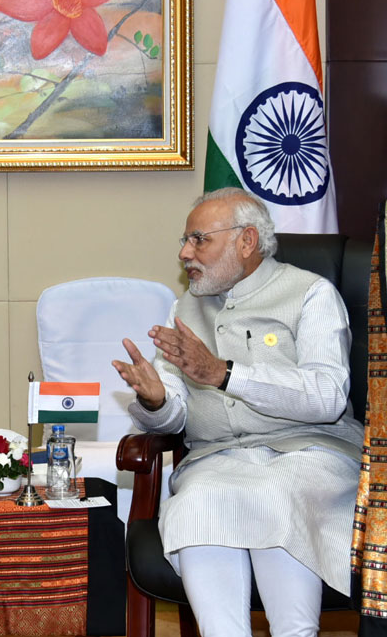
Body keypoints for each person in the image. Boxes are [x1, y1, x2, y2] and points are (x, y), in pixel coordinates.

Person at [112, 187, 364, 637]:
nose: (185, 252)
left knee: (275, 490)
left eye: (198, 239)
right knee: (196, 501)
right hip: (220, 459)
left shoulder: (310, 294)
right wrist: (155, 401)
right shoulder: (184, 307)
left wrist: (225, 373)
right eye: (185, 241)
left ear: (246, 241)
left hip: (309, 455)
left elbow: (328, 396)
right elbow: (175, 414)